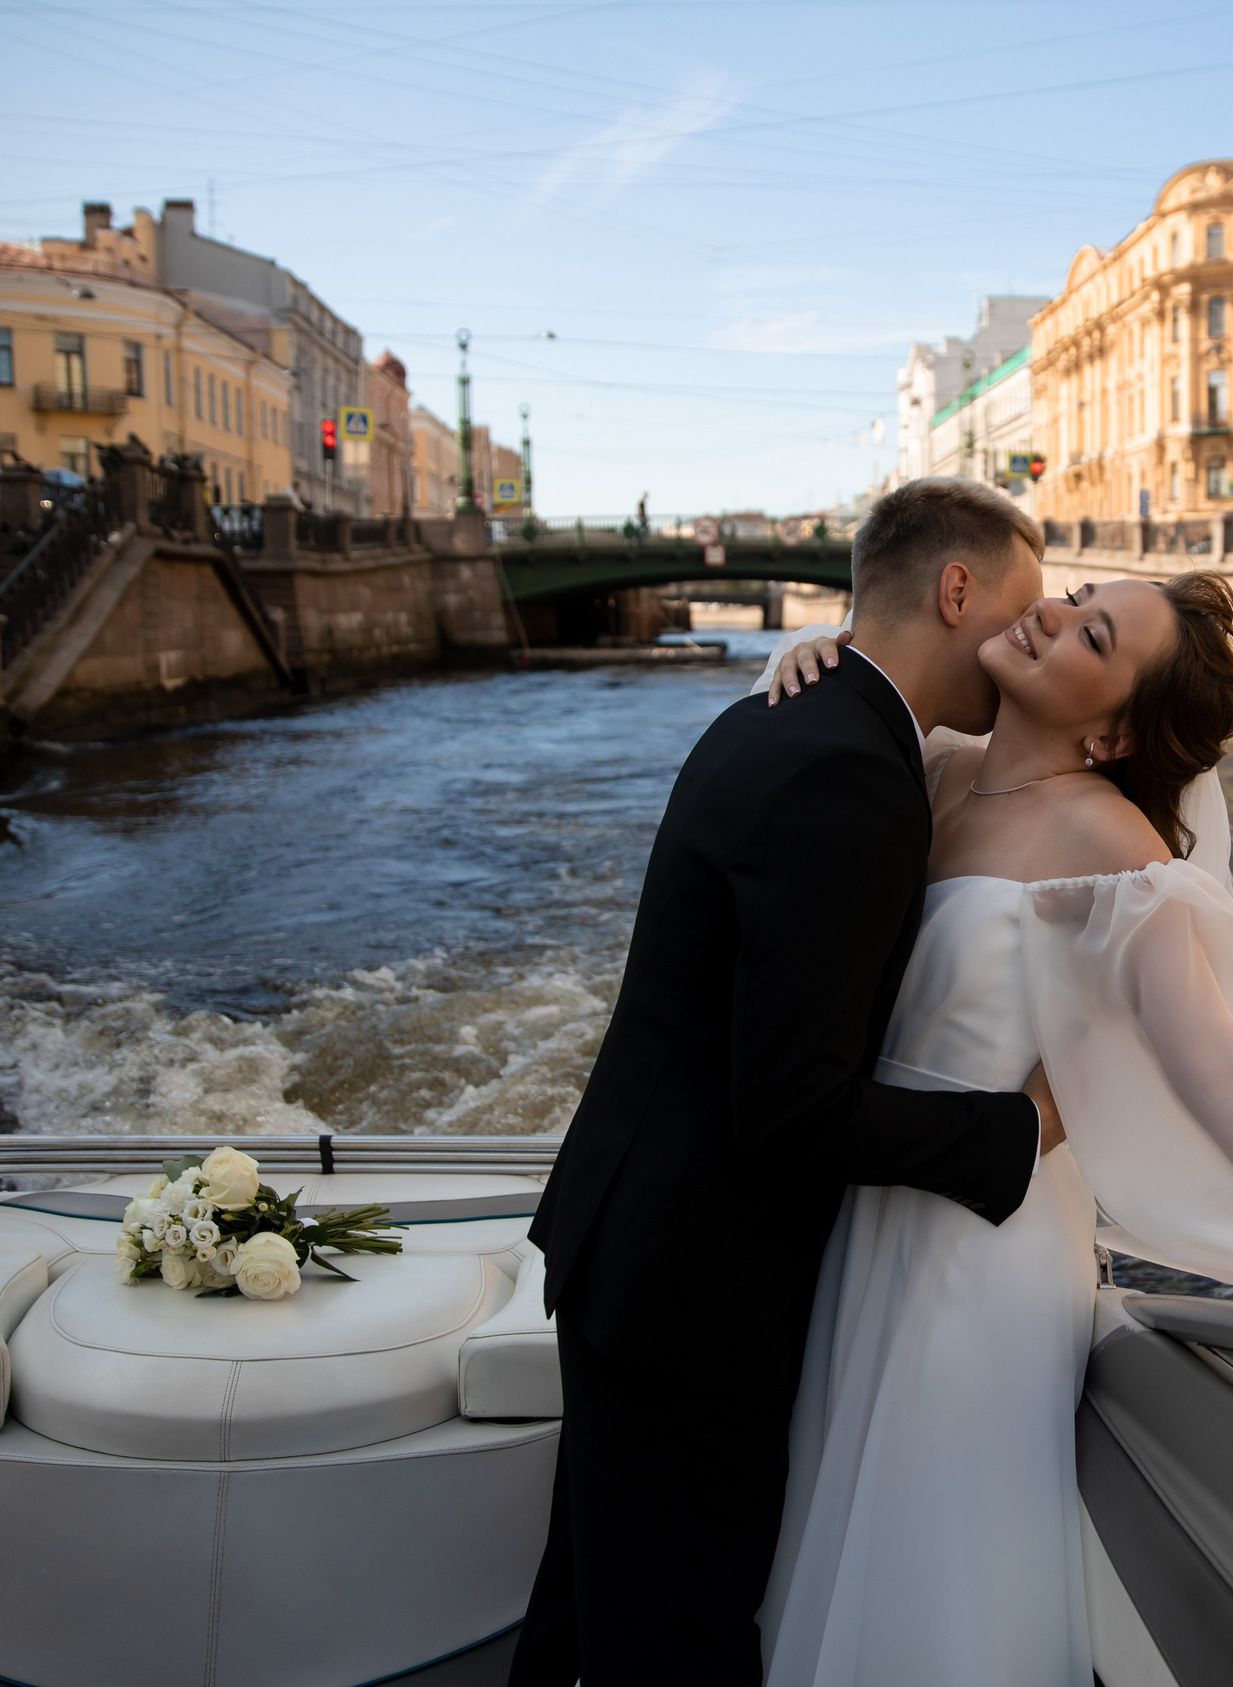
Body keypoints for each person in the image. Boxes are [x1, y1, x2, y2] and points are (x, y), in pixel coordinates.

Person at [754, 573, 1233, 1687]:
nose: (1048, 613)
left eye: (1089, 632)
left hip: (978, 1258)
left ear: (1117, 730)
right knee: (831, 1509)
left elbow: (1216, 1068)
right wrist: (810, 660)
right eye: (1078, 595)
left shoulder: (1112, 844)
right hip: (855, 1214)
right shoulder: (929, 769)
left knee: (934, 1556)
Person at [509, 478, 1060, 1687]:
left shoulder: (784, 717)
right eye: (1024, 610)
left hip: (634, 1240)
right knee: (677, 1636)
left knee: (590, 1608)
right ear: (954, 590)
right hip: (694, 1287)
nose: (1030, 640)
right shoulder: (846, 768)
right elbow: (794, 1104)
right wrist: (1015, 1134)